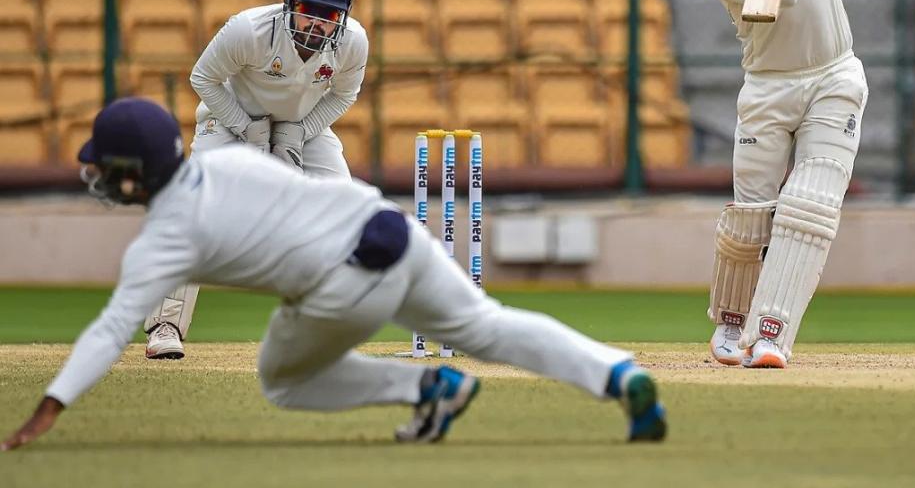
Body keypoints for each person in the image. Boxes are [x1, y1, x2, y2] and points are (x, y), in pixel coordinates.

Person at [0, 99, 666, 451]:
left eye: (106, 166)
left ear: (131, 172)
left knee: (282, 381)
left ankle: (428, 386)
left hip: (344, 280)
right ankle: (617, 373)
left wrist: (52, 402)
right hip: (396, 231)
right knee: (489, 326)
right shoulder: (228, 163)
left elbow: (113, 328)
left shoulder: (164, 239)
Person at [694, 0, 868, 368]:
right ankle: (730, 317)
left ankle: (771, 332)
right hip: (768, 89)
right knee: (752, 217)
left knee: (809, 207)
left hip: (833, 74)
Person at [144, 0, 370, 361]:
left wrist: (299, 132)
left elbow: (344, 94)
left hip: (303, 125)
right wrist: (246, 127)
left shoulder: (353, 42)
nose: (318, 24)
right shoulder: (249, 30)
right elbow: (203, 78)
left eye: (330, 15)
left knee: (343, 207)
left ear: (344, 15)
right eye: (308, 11)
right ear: (290, 4)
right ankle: (166, 324)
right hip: (229, 119)